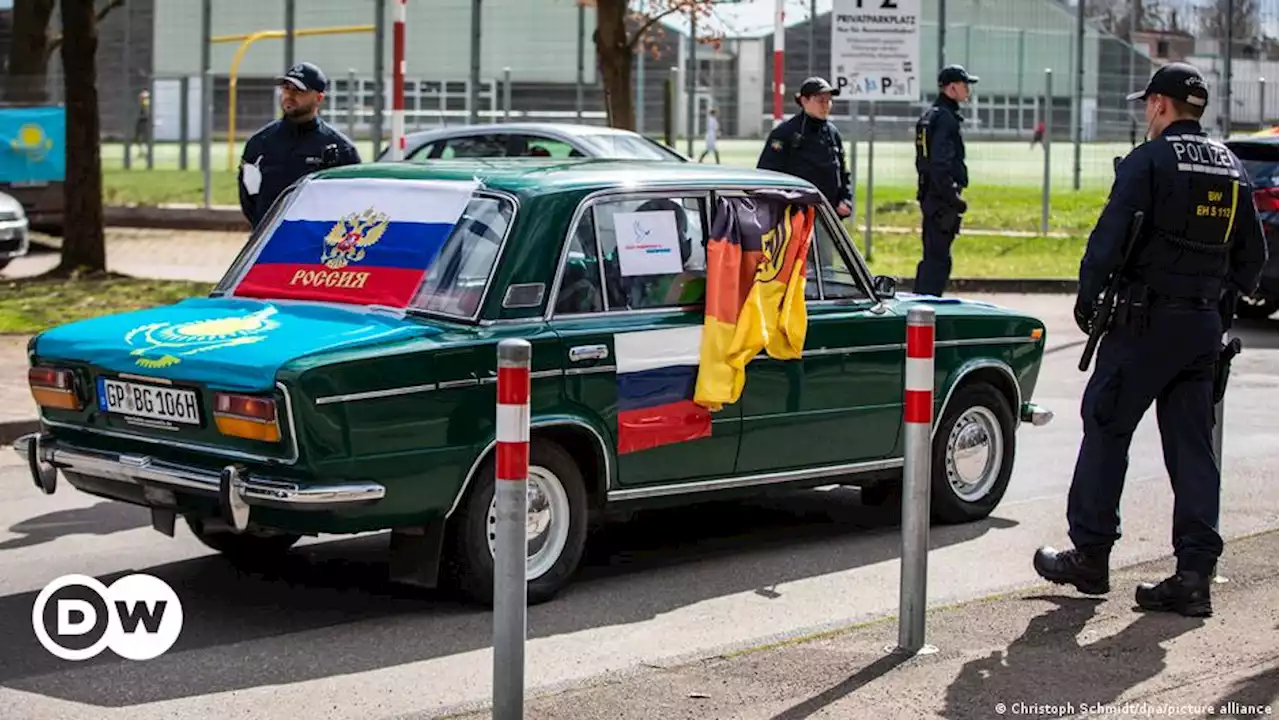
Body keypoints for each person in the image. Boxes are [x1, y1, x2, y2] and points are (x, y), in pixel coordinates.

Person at [1033, 62, 1268, 618]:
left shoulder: (1149, 161)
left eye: (1148, 104)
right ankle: (1193, 576)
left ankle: (1090, 556)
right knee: (1192, 448)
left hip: (1143, 326)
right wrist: (1218, 302)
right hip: (1202, 329)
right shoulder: (1233, 167)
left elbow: (1108, 241)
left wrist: (1090, 303)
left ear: (1161, 105)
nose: (1145, 113)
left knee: (1107, 423)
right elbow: (1252, 261)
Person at [238, 61, 362, 230]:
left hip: (318, 245)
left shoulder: (341, 149)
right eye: (286, 89)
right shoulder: (260, 143)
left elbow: (352, 201)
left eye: (298, 90)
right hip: (270, 242)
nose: (290, 95)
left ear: (319, 98)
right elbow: (249, 197)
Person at [912, 64, 978, 297]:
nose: (968, 89)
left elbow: (923, 160)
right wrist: (953, 196)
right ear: (952, 87)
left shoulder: (931, 116)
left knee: (933, 256)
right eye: (964, 85)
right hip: (941, 200)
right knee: (938, 261)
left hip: (930, 195)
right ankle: (925, 311)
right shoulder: (946, 119)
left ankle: (921, 305)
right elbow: (940, 162)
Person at [756, 76, 853, 220]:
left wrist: (846, 200)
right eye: (820, 101)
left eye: (828, 101)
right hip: (795, 217)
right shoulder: (784, 133)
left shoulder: (833, 134)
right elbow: (767, 174)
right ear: (804, 101)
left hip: (829, 216)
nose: (825, 106)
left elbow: (843, 172)